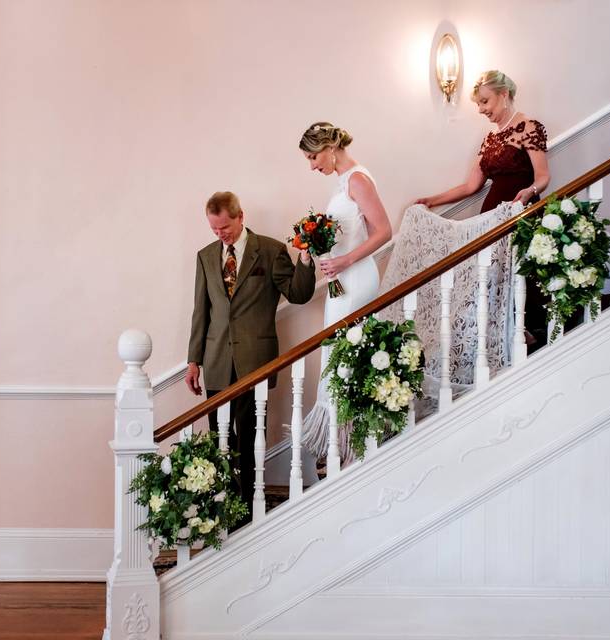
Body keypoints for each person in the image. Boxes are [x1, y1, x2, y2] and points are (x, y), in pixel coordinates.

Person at [185, 191, 316, 510]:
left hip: (254, 361)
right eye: (214, 229)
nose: (220, 235)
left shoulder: (270, 251)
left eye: (225, 228)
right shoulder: (205, 256)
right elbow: (201, 311)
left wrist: (306, 257)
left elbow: (298, 294)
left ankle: (246, 505)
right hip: (216, 360)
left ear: (240, 216)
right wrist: (193, 360)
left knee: (247, 435)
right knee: (219, 436)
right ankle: (223, 501)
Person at [415, 70, 551, 347]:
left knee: (522, 276)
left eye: (485, 102)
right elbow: (470, 187)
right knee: (492, 277)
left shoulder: (529, 127)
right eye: (478, 104)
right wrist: (432, 200)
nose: (481, 110)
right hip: (489, 220)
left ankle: (535, 333)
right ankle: (512, 337)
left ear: (504, 95)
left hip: (519, 215)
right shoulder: (490, 139)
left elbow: (543, 177)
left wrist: (530, 192)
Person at [298, 122, 392, 464]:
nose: (312, 166)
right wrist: (314, 248)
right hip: (342, 280)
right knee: (339, 355)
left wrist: (345, 260)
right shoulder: (342, 184)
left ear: (329, 147)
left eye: (313, 157)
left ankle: (354, 448)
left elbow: (384, 231)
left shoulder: (357, 179)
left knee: (346, 358)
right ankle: (347, 448)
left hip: (357, 278)